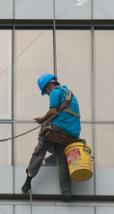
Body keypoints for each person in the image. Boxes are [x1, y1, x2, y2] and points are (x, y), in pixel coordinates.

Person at [21, 73, 81, 202]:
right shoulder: (69, 93)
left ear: (49, 85)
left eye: (45, 91)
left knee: (39, 149)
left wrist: (42, 120)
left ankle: (28, 180)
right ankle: (66, 193)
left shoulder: (55, 92)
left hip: (59, 128)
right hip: (72, 133)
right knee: (62, 159)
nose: (47, 94)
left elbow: (53, 112)